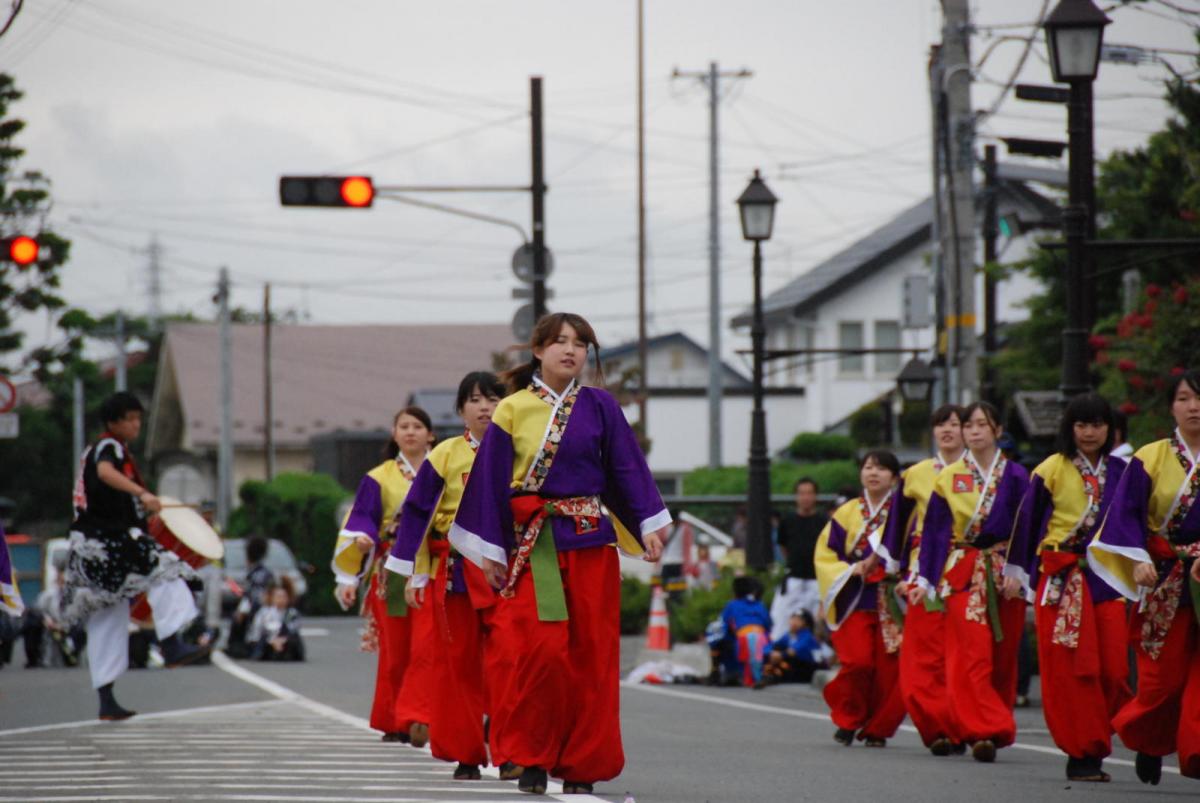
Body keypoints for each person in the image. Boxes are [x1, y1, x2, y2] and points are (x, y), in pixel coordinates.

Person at [449, 312, 668, 796]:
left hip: (590, 542)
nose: (571, 351)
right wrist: (491, 549)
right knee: (540, 653)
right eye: (560, 342)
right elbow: (489, 481)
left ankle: (583, 764)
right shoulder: (512, 410)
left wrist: (649, 523)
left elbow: (628, 470)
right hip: (536, 547)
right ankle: (531, 757)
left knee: (592, 656)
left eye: (580, 343)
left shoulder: (602, 408)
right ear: (538, 350)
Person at [1002, 393, 1130, 782]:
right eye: (1081, 425)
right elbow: (1027, 525)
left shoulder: (1126, 471)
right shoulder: (1050, 469)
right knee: (1069, 670)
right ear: (1069, 429)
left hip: (1106, 577)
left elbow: (1139, 522)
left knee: (1114, 669)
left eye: (1097, 424)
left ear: (1110, 429)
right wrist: (1016, 573)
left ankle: (1115, 734)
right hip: (1060, 578)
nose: (1089, 432)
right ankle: (1082, 752)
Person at [60, 391, 208, 721]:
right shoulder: (108, 448)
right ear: (113, 422)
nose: (136, 424)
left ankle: (106, 699)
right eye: (129, 418)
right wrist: (142, 492)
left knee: (106, 618)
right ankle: (171, 643)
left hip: (89, 545)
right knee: (168, 571)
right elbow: (105, 473)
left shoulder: (98, 450)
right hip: (111, 541)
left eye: (138, 418)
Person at [386, 371, 504, 781]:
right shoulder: (447, 454)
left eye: (492, 398)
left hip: (511, 568)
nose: (484, 407)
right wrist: (415, 573)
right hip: (454, 569)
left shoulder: (522, 451)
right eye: (474, 400)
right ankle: (465, 752)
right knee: (459, 664)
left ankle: (516, 751)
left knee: (512, 662)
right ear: (460, 410)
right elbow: (418, 512)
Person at [1089, 369, 1200, 785]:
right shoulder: (1150, 457)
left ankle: (1195, 751)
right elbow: (1125, 516)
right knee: (1162, 681)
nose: (1195, 407)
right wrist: (1136, 558)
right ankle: (1147, 741)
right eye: (1186, 398)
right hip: (1166, 577)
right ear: (1171, 406)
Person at [916, 401, 1029, 763]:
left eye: (983, 424)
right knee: (973, 652)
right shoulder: (948, 477)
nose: (975, 431)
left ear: (997, 430)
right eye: (970, 425)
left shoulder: (1016, 475)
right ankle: (986, 728)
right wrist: (926, 578)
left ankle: (980, 723)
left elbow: (1028, 529)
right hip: (964, 569)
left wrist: (1019, 572)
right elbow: (934, 532)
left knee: (1002, 654)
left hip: (1003, 570)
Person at [333, 406, 434, 744]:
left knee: (428, 645)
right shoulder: (378, 477)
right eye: (403, 426)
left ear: (430, 435)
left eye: (418, 426)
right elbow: (361, 519)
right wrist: (362, 540)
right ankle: (395, 719)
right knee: (396, 646)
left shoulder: (444, 468)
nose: (410, 432)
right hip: (393, 569)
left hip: (433, 566)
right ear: (394, 434)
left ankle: (421, 715)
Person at [877, 403, 965, 757]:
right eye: (940, 424)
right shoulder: (916, 474)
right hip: (924, 572)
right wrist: (897, 571)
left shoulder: (982, 475)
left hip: (967, 568)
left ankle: (966, 725)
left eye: (955, 424)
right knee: (924, 655)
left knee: (961, 654)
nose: (947, 430)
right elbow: (898, 525)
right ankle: (937, 726)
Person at [814, 449, 906, 748]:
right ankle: (849, 717)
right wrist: (852, 569)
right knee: (857, 662)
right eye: (868, 467)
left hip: (892, 598)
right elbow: (826, 553)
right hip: (855, 596)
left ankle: (877, 728)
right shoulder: (847, 512)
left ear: (894, 477)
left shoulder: (904, 511)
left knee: (888, 669)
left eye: (881, 468)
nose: (873, 473)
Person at [771, 478, 826, 639]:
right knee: (782, 619)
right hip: (794, 578)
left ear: (815, 496)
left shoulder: (823, 521)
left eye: (809, 493)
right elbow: (783, 546)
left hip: (816, 579)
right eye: (802, 493)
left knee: (816, 623)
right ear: (796, 496)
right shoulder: (788, 521)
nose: (806, 498)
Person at [226, 535, 275, 659]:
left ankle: (237, 647)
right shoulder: (266, 573)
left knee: (237, 618)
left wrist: (242, 610)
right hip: (267, 608)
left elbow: (250, 597)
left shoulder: (254, 574)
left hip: (257, 609)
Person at [720, 575, 772, 687]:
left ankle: (745, 676)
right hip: (761, 636)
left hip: (743, 636)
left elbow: (724, 624)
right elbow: (768, 623)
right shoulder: (760, 605)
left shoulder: (732, 605)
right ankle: (759, 675)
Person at [760, 610, 827, 685]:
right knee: (777, 648)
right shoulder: (789, 635)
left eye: (798, 620)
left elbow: (795, 650)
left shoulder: (807, 636)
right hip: (795, 664)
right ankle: (769, 674)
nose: (794, 622)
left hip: (808, 667)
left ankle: (774, 675)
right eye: (793, 618)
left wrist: (780, 654)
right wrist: (771, 653)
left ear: (806, 624)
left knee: (785, 656)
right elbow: (772, 645)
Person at [248, 580, 305, 661]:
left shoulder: (292, 613)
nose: (281, 600)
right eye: (278, 597)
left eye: (284, 597)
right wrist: (272, 640)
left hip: (284, 641)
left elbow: (293, 629)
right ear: (272, 598)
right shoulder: (264, 612)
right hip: (266, 641)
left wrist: (282, 640)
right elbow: (259, 630)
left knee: (295, 638)